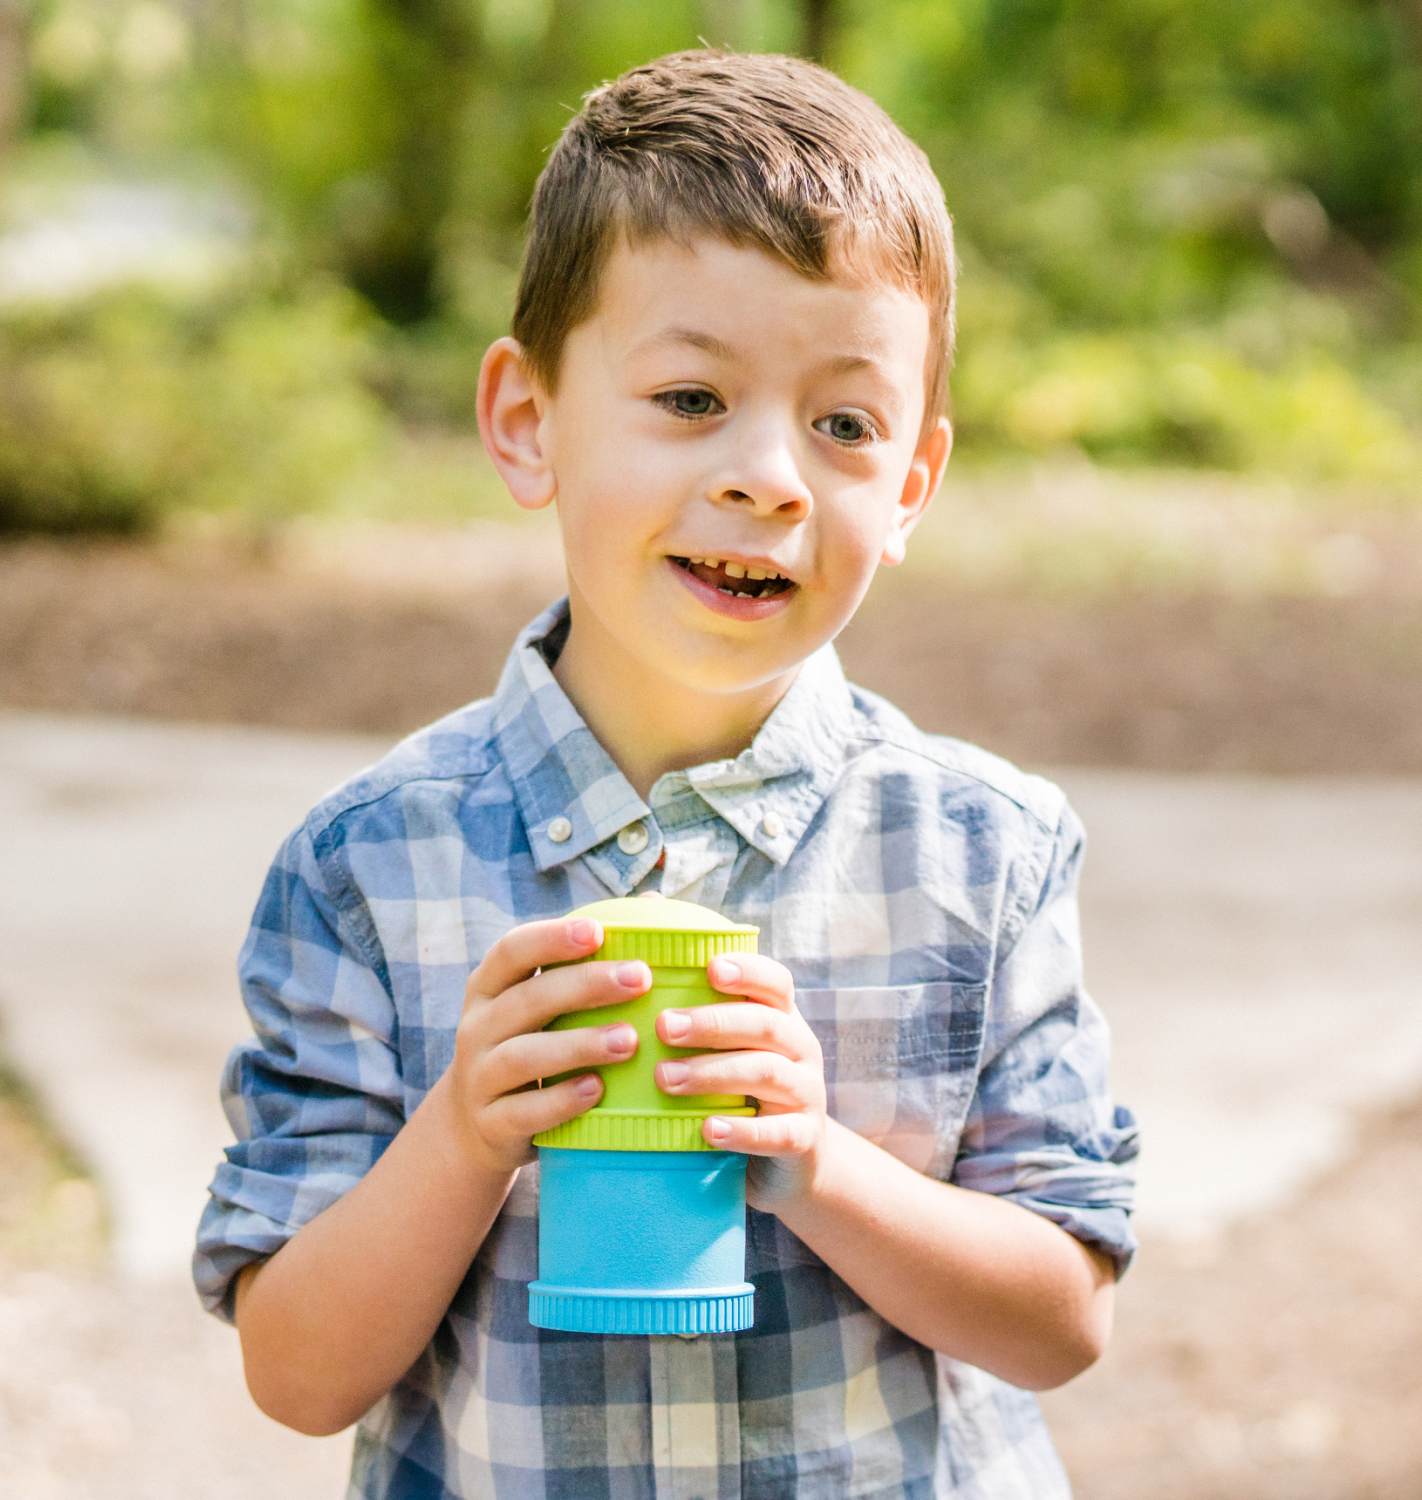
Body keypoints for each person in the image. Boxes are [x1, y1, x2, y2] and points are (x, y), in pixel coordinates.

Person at [194, 48, 1138, 1500]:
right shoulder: (370, 867)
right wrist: (460, 1136)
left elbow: (1064, 1315)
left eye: (843, 424)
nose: (770, 474)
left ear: (909, 492)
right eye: (693, 397)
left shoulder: (982, 851)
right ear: (528, 422)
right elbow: (296, 1374)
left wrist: (818, 1162)